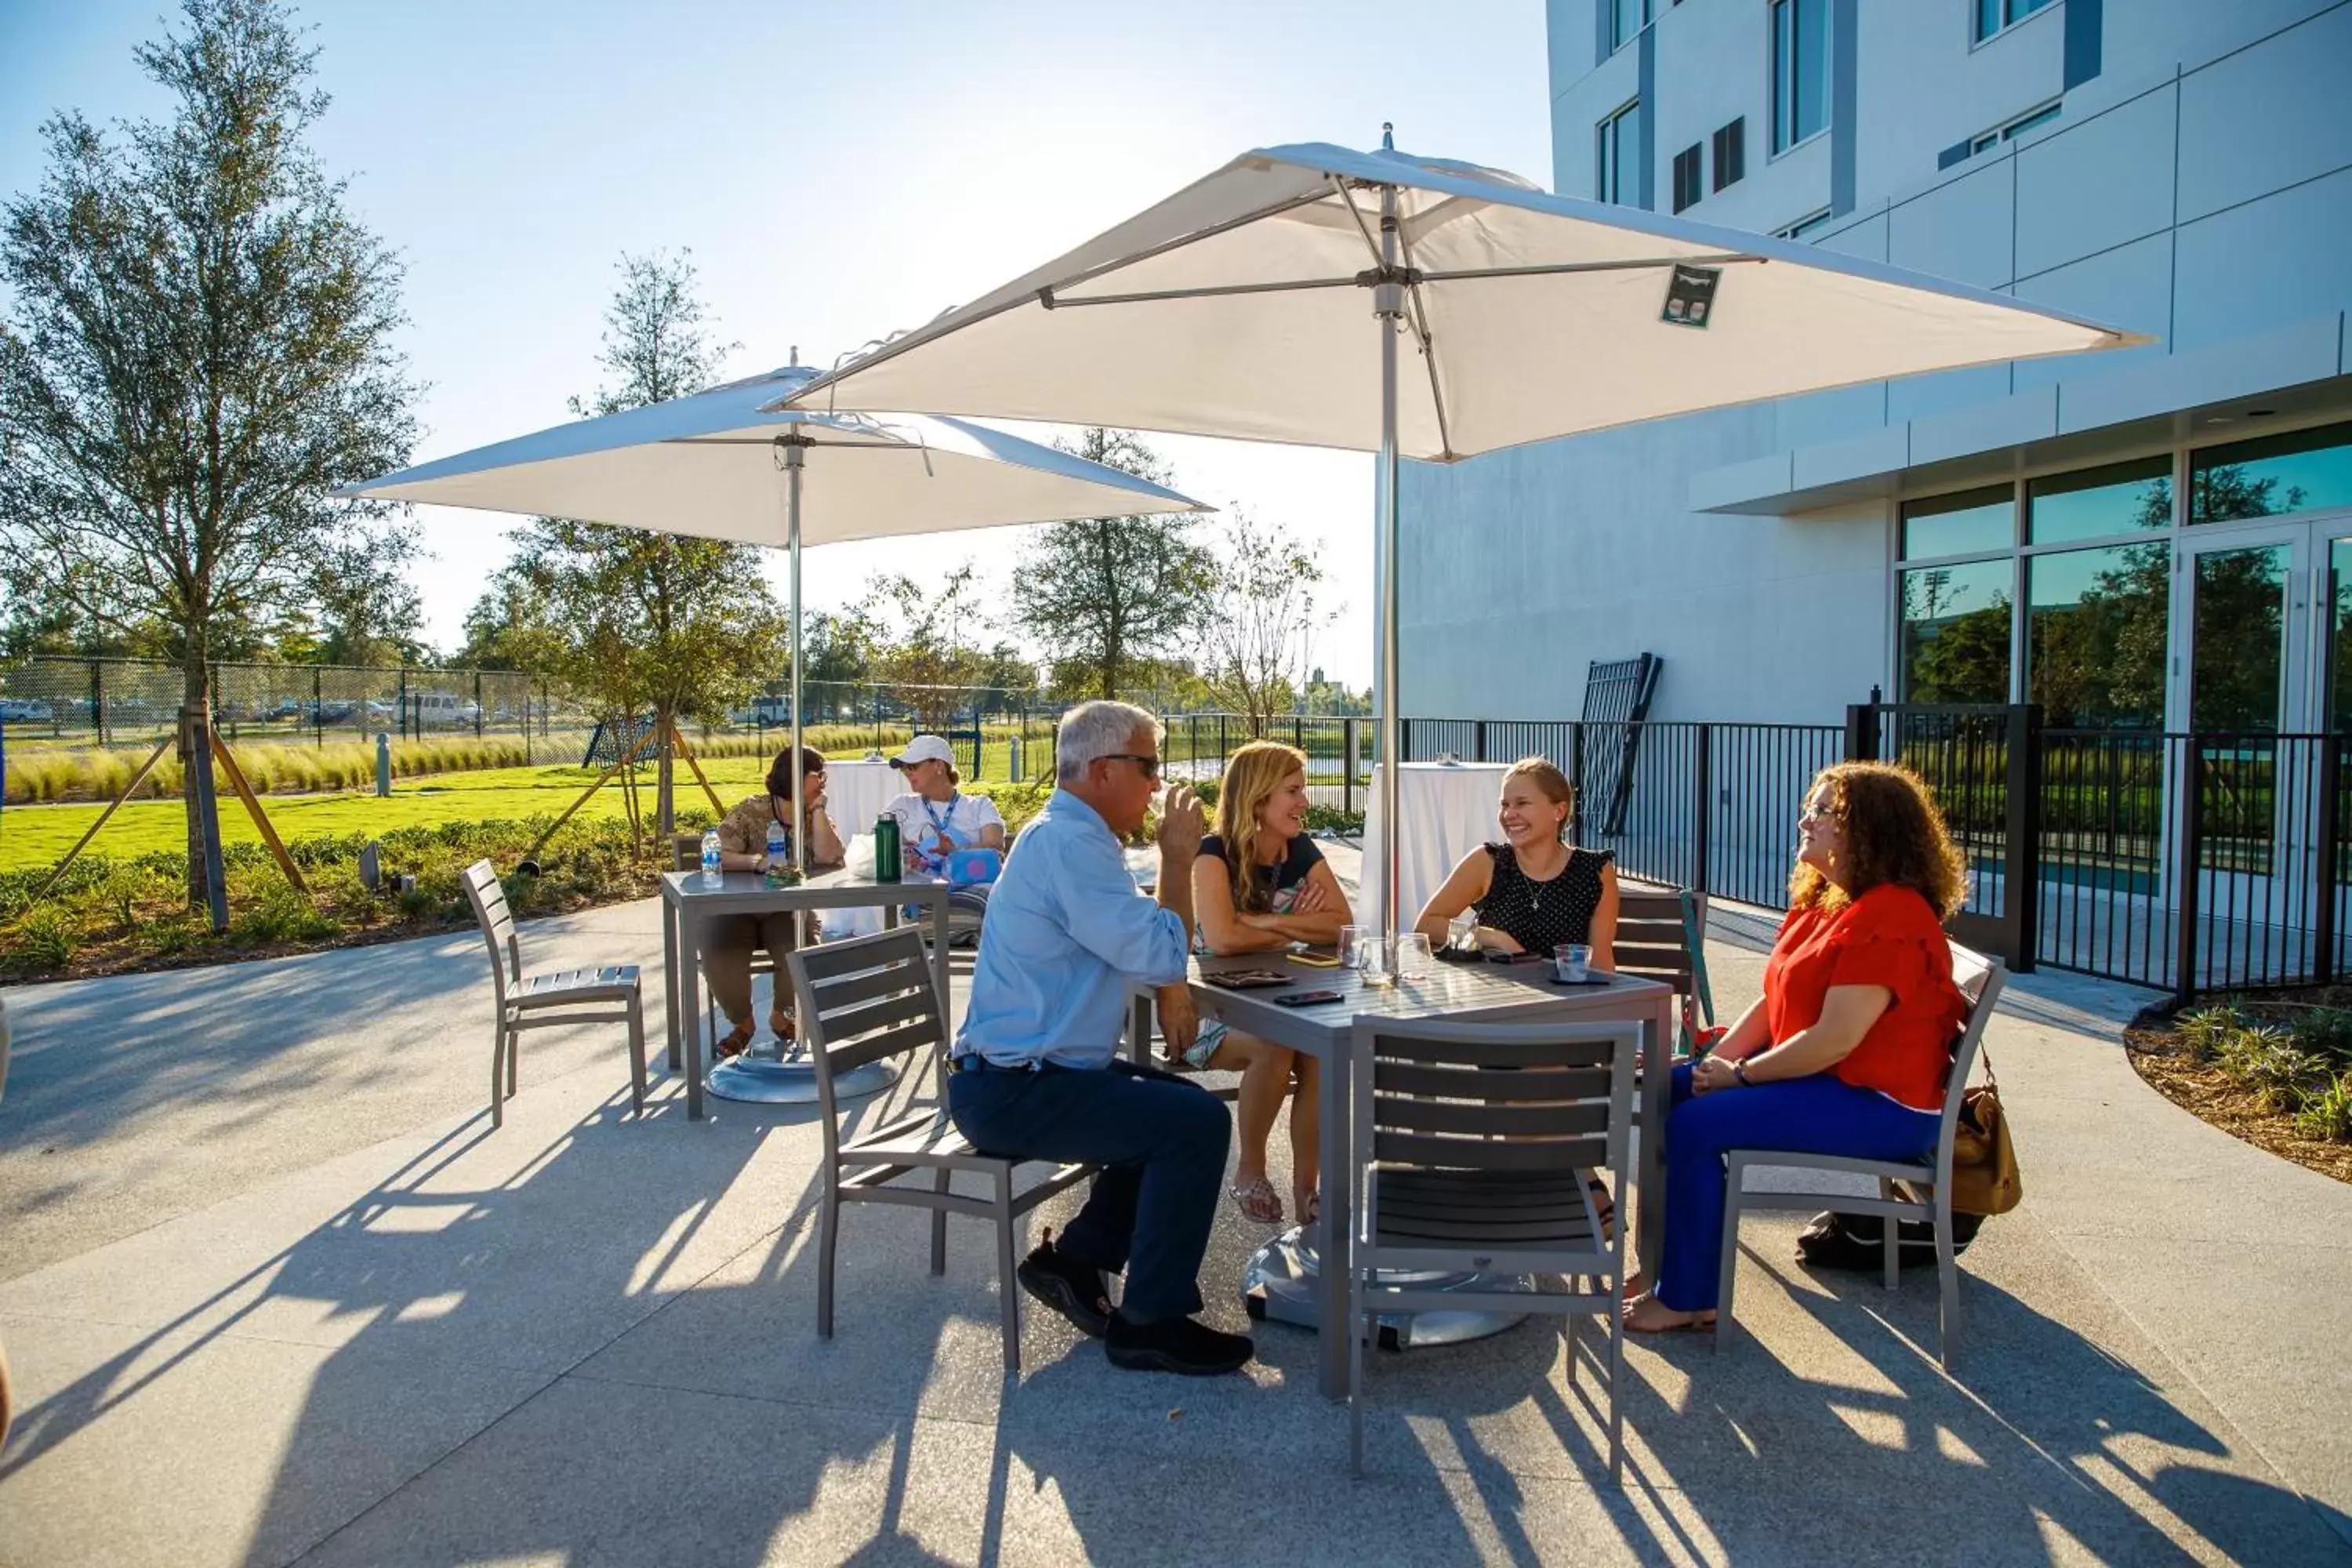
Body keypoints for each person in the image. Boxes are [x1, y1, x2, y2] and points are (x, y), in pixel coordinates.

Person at [948, 700, 1254, 1377]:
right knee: (1193, 1122)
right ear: (1104, 769)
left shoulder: (1068, 837)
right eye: (1150, 766)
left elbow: (1141, 944)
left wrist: (1171, 978)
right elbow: (1157, 952)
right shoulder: (1070, 844)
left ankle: (1075, 1259)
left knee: (1167, 1103)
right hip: (1014, 1088)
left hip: (1023, 1075)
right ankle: (1150, 1322)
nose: (1157, 783)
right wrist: (1179, 860)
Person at [1622, 760, 1970, 1334]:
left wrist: (1743, 1077)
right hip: (1832, 1081)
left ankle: (1689, 1296)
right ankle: (1664, 1266)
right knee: (1669, 1089)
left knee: (1694, 1125)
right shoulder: (1827, 902)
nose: (1806, 819)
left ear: (1871, 829)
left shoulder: (1890, 914)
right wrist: (1717, 1063)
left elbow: (1835, 1039)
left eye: (1825, 811)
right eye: (1811, 806)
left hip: (1885, 1106)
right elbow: (1769, 1004)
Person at [1180, 742, 1352, 1226]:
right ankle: (1251, 1169)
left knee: (1323, 1047)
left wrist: (1264, 924)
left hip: (1281, 997)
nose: (1306, 801)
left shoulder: (1297, 849)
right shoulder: (1213, 854)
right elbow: (1223, 939)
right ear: (1258, 800)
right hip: (1207, 1012)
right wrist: (1289, 923)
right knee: (1275, 1049)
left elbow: (1342, 925)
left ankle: (1307, 1191)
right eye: (1294, 791)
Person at [702, 745, 844, 1058]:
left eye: (824, 775)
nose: (823, 780)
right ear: (794, 776)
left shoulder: (815, 815)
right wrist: (756, 862)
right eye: (816, 774)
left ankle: (783, 1016)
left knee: (802, 946)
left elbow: (829, 856)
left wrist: (818, 810)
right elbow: (717, 853)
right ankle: (744, 1023)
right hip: (737, 909)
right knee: (717, 951)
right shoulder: (753, 810)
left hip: (787, 910)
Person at [1413, 757, 1621, 965]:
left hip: (1567, 994)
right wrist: (1494, 938)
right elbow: (1426, 926)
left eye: (1522, 803)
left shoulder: (1595, 872)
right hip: (1497, 994)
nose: (1508, 814)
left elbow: (1601, 964)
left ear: (1559, 811)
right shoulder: (1489, 862)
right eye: (1504, 805)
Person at [884, 734, 1006, 875]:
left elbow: (994, 846)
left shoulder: (980, 805)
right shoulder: (902, 805)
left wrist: (955, 853)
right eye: (903, 768)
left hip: (970, 891)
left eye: (912, 766)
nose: (906, 772)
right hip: (917, 892)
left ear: (939, 766)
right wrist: (902, 857)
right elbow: (873, 848)